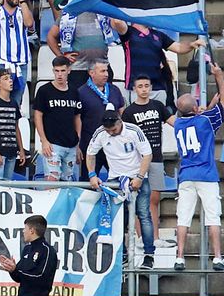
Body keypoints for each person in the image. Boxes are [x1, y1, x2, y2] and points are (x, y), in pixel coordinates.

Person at [86, 106, 155, 268]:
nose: (111, 132)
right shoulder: (100, 133)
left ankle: (149, 255)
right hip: (115, 181)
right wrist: (92, 174)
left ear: (120, 121)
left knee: (144, 215)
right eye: (108, 130)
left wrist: (139, 176)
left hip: (137, 178)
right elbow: (90, 154)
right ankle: (122, 254)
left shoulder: (134, 131)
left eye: (114, 129)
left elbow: (147, 154)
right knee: (118, 219)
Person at [172, 62, 224, 270]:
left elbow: (198, 118)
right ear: (195, 108)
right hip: (206, 174)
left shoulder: (177, 124)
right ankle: (218, 257)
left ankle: (179, 257)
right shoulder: (204, 121)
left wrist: (209, 107)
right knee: (213, 217)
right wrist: (219, 77)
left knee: (183, 218)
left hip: (186, 175)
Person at [0, 214, 59, 296]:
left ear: (32, 231)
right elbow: (19, 278)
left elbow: (41, 278)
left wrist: (16, 270)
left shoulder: (47, 250)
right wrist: (12, 270)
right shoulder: (27, 249)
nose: (23, 231)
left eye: (25, 228)